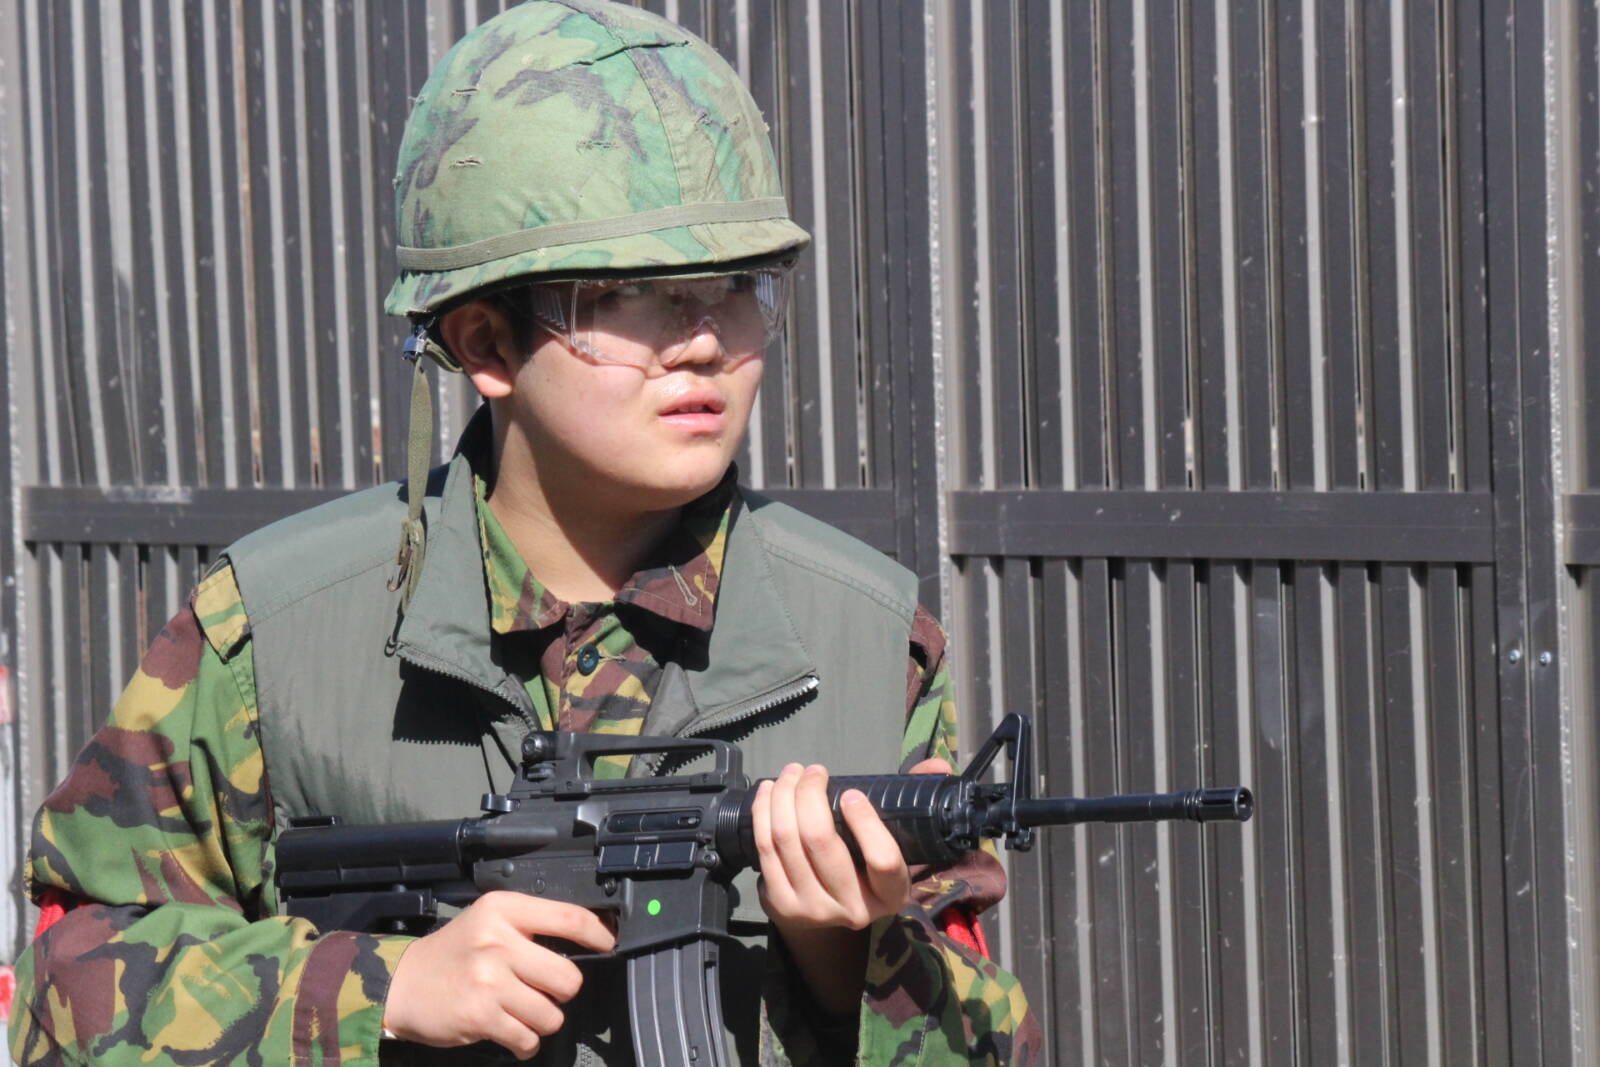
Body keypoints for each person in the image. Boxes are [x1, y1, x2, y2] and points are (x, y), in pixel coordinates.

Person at [9, 2, 1041, 1063]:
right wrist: (379, 988)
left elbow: (989, 1038)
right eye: (631, 294)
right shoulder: (272, 637)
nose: (702, 340)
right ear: (484, 342)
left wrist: (845, 954)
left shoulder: (867, 645)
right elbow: (62, 979)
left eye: (737, 286)